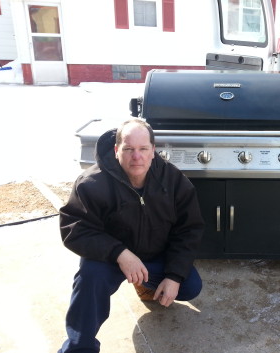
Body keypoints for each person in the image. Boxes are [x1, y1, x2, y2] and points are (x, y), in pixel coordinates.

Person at [58, 118, 204, 352]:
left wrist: (174, 275)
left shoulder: (173, 179)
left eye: (143, 149)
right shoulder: (91, 184)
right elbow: (74, 227)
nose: (137, 156)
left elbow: (189, 229)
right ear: (117, 150)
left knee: (190, 287)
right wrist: (120, 253)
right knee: (89, 277)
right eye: (128, 149)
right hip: (111, 259)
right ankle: (79, 346)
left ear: (153, 151)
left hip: (155, 255)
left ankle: (144, 284)